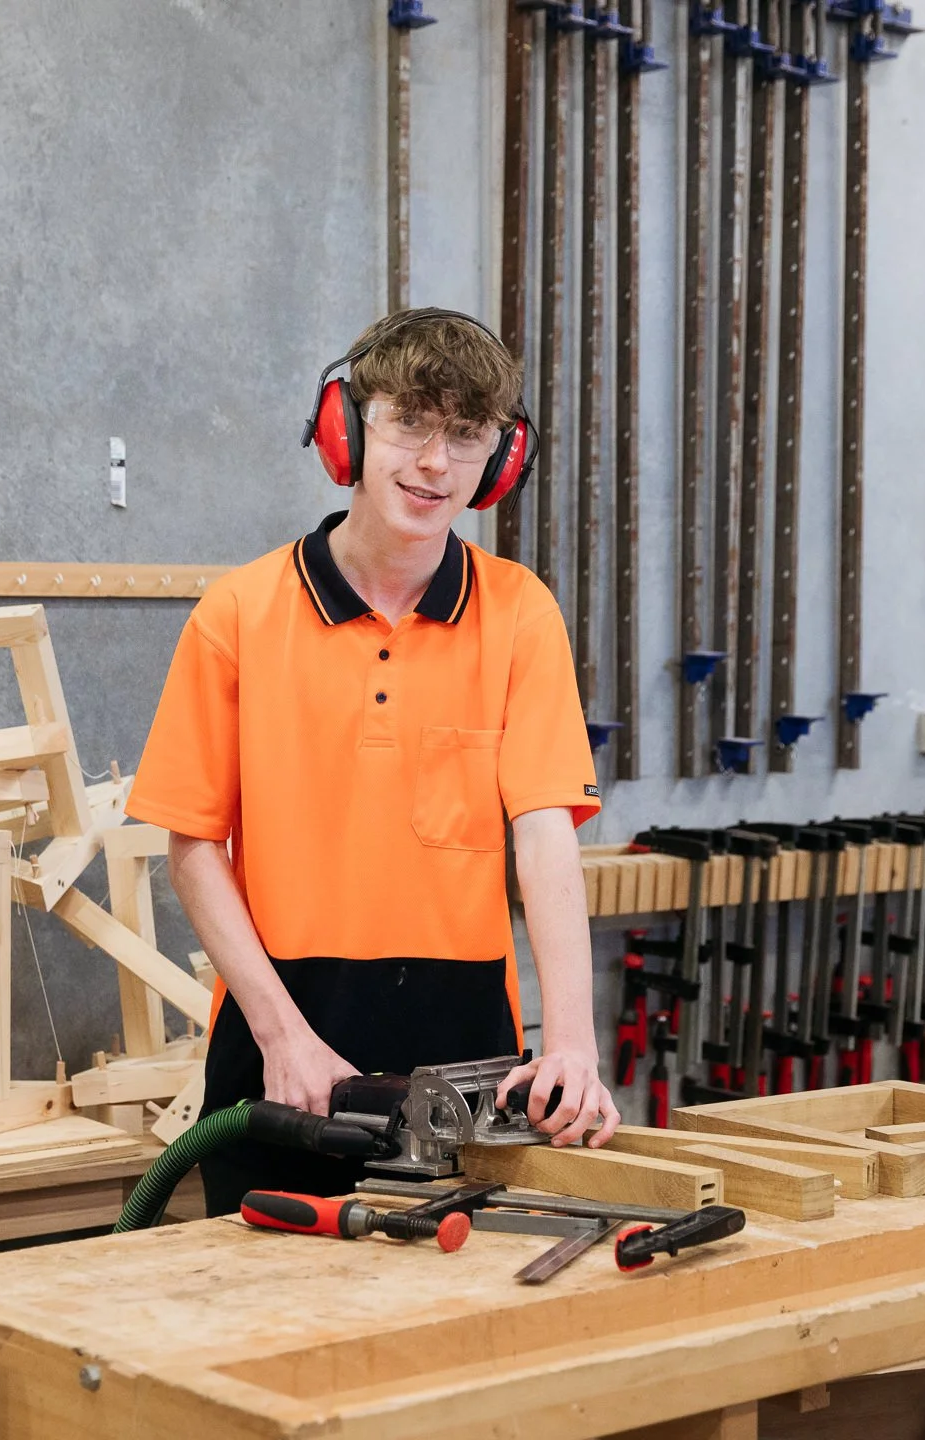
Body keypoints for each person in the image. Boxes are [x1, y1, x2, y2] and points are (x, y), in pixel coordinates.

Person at [125, 307, 621, 1216]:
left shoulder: (520, 614)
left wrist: (575, 1045)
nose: (435, 462)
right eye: (410, 422)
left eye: (465, 436)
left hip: (467, 1054)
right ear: (346, 428)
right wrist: (284, 1037)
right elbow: (194, 847)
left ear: (498, 461)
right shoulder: (238, 614)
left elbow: (545, 832)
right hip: (282, 1051)